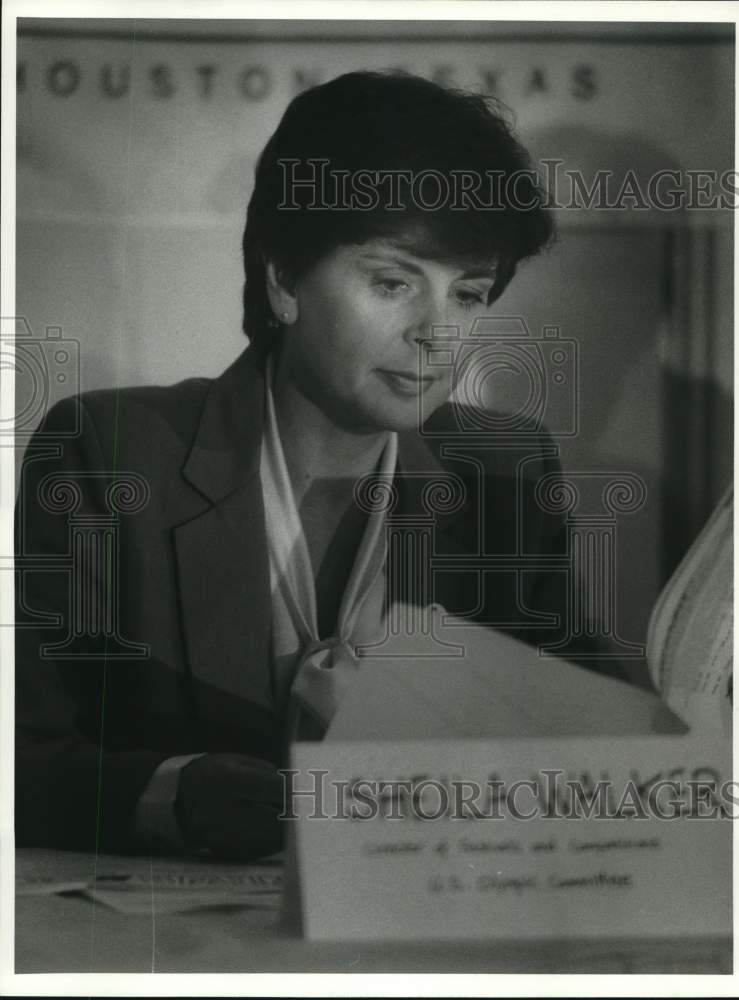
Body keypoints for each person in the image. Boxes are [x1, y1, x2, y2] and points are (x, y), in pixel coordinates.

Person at [16, 71, 602, 860]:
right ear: (284, 279)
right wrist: (179, 794)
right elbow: (22, 763)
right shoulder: (109, 452)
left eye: (467, 294)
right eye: (393, 282)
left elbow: (588, 749)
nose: (437, 333)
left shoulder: (507, 470)